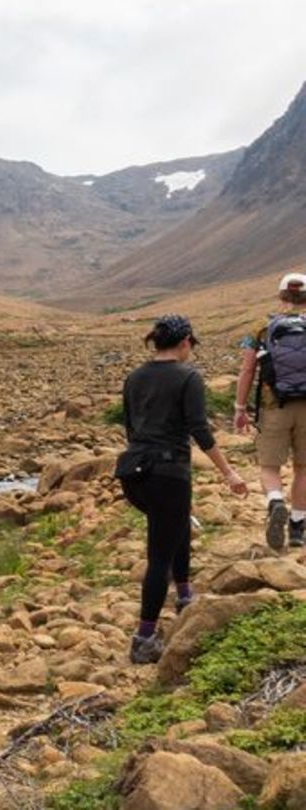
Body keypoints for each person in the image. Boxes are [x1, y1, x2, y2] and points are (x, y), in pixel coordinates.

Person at [118, 314, 248, 664]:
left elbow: (131, 429)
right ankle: (144, 639)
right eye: (192, 344)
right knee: (160, 553)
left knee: (174, 527)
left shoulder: (134, 377)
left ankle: (186, 595)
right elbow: (200, 431)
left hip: (134, 473)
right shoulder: (188, 377)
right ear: (185, 342)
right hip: (169, 472)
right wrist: (229, 473)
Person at [235, 272, 306, 550]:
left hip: (272, 404)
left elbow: (247, 370)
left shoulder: (261, 328)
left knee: (269, 466)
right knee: (304, 468)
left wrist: (240, 407)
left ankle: (275, 501)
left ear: (281, 296)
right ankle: (299, 529)